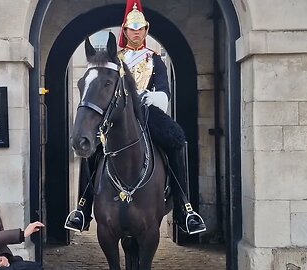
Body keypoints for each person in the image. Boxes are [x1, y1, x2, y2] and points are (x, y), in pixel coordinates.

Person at [64, 0, 206, 235]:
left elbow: (163, 88)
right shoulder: (114, 59)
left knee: (177, 141)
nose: (136, 33)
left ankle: (184, 208)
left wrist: (154, 96)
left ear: (146, 30)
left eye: (140, 29)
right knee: (92, 147)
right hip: (118, 114)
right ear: (125, 31)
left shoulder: (154, 59)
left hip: (148, 111)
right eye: (132, 29)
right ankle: (83, 207)